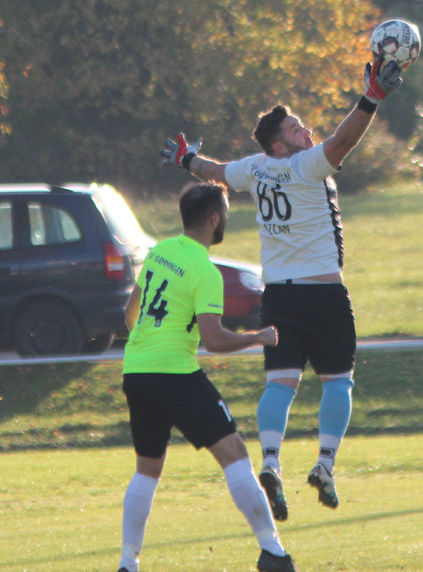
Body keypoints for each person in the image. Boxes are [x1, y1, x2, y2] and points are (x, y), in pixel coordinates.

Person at [160, 58, 404, 520]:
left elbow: (212, 171)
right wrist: (371, 97)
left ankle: (270, 461)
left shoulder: (253, 169)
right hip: (323, 295)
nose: (307, 131)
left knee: (281, 383)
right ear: (279, 145)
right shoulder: (306, 165)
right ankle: (325, 465)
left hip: (278, 297)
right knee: (338, 381)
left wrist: (183, 159)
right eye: (296, 129)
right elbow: (345, 139)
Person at [118, 183, 298, 572]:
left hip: (136, 372)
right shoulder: (206, 271)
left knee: (147, 469)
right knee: (234, 453)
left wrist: (151, 343)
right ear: (214, 219)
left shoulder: (160, 251)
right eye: (226, 214)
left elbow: (130, 315)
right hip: (176, 375)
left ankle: (127, 564)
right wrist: (259, 337)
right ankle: (274, 553)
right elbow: (214, 339)